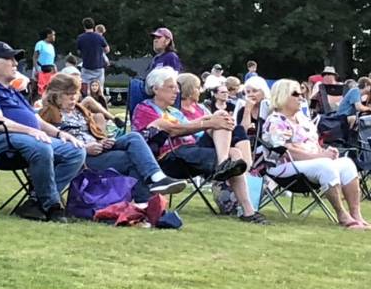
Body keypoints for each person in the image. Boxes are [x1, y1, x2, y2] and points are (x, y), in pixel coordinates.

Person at [0, 41, 86, 223]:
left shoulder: (12, 91)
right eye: (9, 59)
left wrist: (61, 134)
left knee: (76, 151)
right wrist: (30, 131)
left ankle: (36, 202)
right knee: (41, 146)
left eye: (15, 60)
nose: (15, 64)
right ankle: (53, 206)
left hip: (25, 140)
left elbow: (36, 119)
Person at [132, 67, 268, 224]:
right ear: (155, 88)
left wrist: (215, 118)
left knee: (226, 130)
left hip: (191, 149)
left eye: (177, 87)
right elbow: (175, 130)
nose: (176, 91)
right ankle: (226, 168)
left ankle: (247, 208)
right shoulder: (145, 109)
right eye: (171, 87)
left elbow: (189, 125)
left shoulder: (174, 112)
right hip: (169, 156)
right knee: (231, 150)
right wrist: (208, 123)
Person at [39, 74, 187, 202]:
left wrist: (102, 141)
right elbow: (53, 143)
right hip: (81, 157)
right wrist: (85, 148)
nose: (73, 98)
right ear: (56, 95)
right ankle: (144, 204)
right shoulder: (47, 114)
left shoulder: (79, 110)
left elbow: (93, 132)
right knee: (133, 160)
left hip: (99, 148)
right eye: (68, 94)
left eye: (75, 93)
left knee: (134, 137)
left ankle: (157, 177)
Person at [263, 79, 368, 229]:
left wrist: (325, 151)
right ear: (282, 96)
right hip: (284, 167)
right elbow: (285, 152)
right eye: (295, 94)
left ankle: (356, 214)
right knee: (325, 165)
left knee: (347, 164)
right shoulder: (275, 121)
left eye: (301, 93)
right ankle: (342, 215)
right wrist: (319, 157)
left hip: (311, 164)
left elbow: (313, 144)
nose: (301, 97)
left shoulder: (303, 120)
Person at [76, 17, 109, 95]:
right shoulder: (99, 37)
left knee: (85, 88)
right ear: (93, 26)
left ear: (84, 26)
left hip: (86, 66)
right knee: (99, 88)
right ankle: (100, 104)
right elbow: (107, 49)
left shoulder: (80, 38)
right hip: (99, 66)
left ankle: (86, 103)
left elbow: (78, 51)